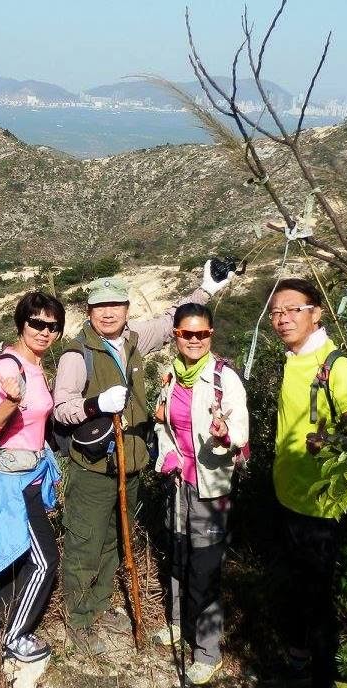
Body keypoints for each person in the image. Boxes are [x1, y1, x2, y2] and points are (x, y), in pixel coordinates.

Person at [53, 262, 233, 653]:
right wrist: (95, 404)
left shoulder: (134, 338)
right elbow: (61, 408)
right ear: (89, 311)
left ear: (126, 308)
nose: (108, 313)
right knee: (85, 543)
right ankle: (79, 622)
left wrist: (205, 290)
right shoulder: (77, 354)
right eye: (100, 306)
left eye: (115, 305)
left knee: (116, 541)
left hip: (130, 466)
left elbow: (171, 323)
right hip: (93, 468)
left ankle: (99, 604)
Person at [268, 278, 347, 688]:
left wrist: (333, 441)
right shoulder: (293, 358)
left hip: (321, 505)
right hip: (287, 495)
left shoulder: (335, 366)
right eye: (276, 312)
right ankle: (297, 659)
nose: (283, 319)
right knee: (294, 587)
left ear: (317, 313)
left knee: (318, 597)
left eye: (293, 309)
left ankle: (323, 682)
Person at [0, 291, 66, 666]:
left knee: (19, 556)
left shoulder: (36, 366)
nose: (44, 331)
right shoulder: (10, 367)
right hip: (12, 481)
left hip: (31, 475)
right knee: (44, 560)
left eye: (52, 326)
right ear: (21, 324)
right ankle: (15, 637)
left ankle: (0, 626)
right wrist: (10, 401)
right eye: (36, 323)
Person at [151, 303, 248, 685]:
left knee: (204, 568)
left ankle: (207, 652)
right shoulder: (171, 376)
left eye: (202, 334)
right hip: (179, 482)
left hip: (212, 487)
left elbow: (241, 430)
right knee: (178, 555)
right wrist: (167, 454)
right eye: (186, 334)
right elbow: (163, 426)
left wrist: (225, 434)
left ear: (211, 335)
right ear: (176, 335)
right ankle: (179, 624)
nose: (194, 340)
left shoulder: (224, 378)